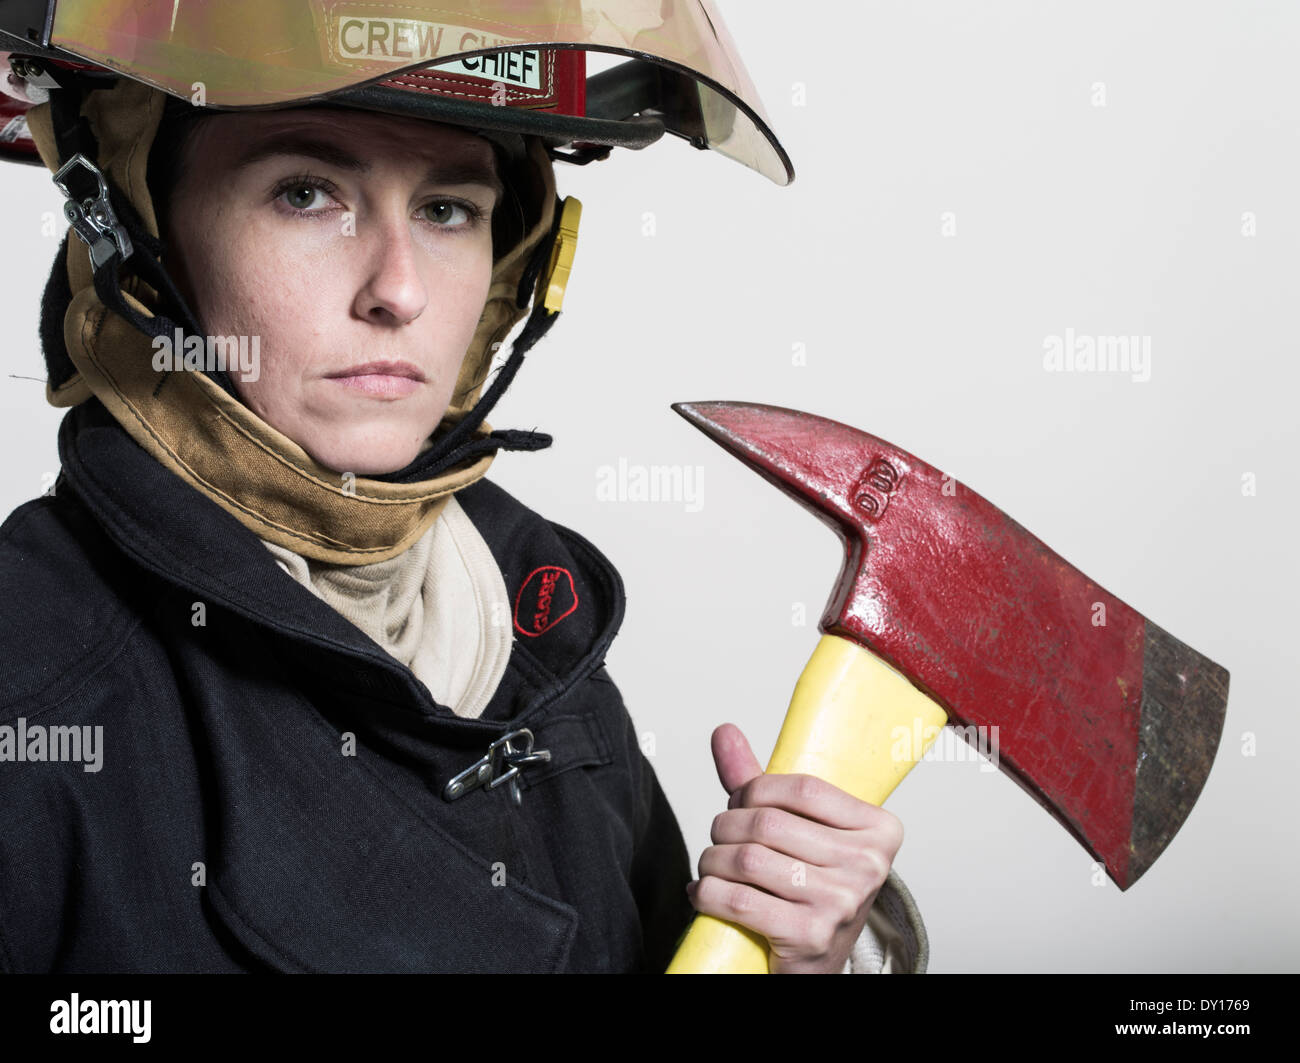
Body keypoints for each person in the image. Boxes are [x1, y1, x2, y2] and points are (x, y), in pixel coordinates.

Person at [0, 2, 927, 974]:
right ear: (132, 227)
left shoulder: (529, 623)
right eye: (307, 193)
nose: (397, 290)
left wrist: (797, 959)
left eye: (448, 209)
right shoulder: (36, 692)